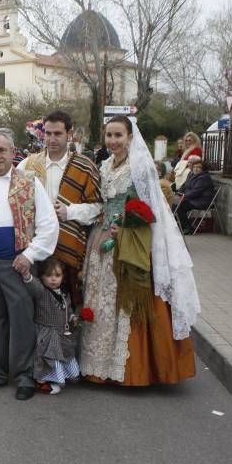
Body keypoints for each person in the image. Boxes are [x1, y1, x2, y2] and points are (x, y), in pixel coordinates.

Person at [79, 116, 198, 386]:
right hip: (101, 241)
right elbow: (103, 202)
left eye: (118, 135)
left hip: (130, 241)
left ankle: (131, 370)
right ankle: (97, 365)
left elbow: (151, 208)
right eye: (109, 135)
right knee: (102, 301)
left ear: (131, 137)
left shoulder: (140, 167)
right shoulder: (105, 165)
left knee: (125, 301)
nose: (113, 141)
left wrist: (124, 227)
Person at [0, 130, 59, 400]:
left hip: (18, 263)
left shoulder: (30, 183)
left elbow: (49, 225)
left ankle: (25, 374)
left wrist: (29, 255)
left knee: (22, 320)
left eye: (2, 150)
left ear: (13, 151)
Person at [17, 110, 101, 304]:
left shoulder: (85, 166)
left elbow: (98, 207)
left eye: (57, 134)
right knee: (34, 302)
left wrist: (69, 211)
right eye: (48, 133)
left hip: (68, 246)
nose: (52, 139)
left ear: (69, 134)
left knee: (66, 303)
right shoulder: (27, 165)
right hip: (34, 246)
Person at [21, 257, 81, 395]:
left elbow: (69, 309)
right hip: (47, 332)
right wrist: (26, 274)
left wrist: (73, 318)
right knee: (50, 358)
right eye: (48, 276)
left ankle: (64, 376)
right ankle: (47, 382)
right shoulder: (42, 292)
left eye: (57, 275)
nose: (53, 279)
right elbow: (33, 285)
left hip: (61, 332)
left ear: (62, 277)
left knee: (64, 354)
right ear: (42, 277)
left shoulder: (65, 293)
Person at [175, 158, 215, 234]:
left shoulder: (204, 178)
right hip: (192, 199)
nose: (196, 169)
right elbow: (184, 186)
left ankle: (188, 228)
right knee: (175, 205)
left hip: (201, 201)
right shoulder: (192, 175)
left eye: (198, 167)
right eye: (194, 167)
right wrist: (179, 192)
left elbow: (196, 192)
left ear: (203, 169)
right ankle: (180, 226)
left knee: (180, 208)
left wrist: (184, 196)